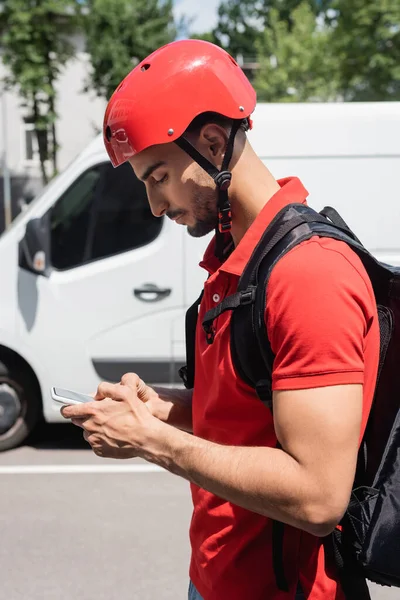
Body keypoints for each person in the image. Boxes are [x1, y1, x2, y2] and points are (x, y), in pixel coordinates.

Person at [62, 40, 379, 600]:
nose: (155, 207)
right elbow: (246, 418)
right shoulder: (235, 259)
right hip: (217, 579)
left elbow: (318, 495)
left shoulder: (308, 274)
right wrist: (161, 408)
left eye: (157, 176)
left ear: (212, 142)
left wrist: (153, 441)